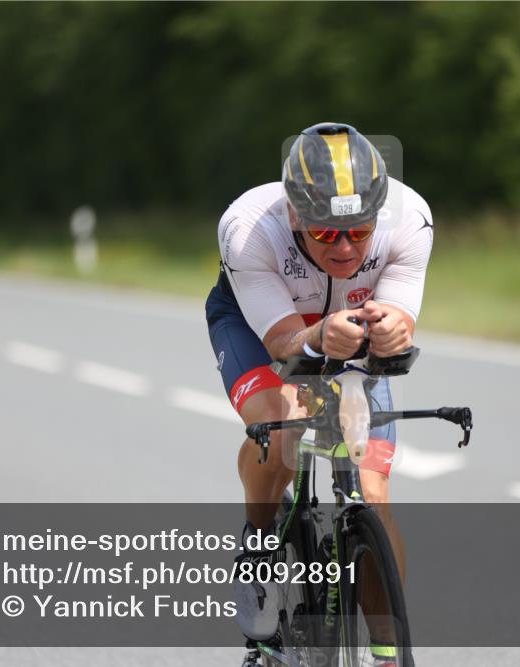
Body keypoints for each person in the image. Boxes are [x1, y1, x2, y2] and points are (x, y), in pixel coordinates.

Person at [205, 122, 433, 665]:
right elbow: (284, 342)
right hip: (260, 325)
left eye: (360, 231)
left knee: (373, 495)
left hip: (350, 331)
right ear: (294, 215)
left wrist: (394, 330)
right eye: (326, 233)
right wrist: (316, 335)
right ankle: (259, 545)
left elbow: (399, 318)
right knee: (281, 417)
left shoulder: (410, 218)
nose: (346, 247)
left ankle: (387, 654)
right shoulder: (248, 228)